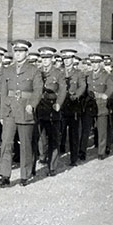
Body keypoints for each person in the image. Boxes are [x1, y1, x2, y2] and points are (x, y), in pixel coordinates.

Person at [0, 40, 43, 188]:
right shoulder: (7, 70)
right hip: (10, 111)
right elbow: (3, 93)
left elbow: (38, 91)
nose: (18, 54)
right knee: (6, 143)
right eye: (16, 51)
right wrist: (2, 114)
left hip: (25, 110)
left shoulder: (34, 70)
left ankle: (25, 175)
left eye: (21, 51)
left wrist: (32, 105)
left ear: (27, 53)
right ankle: (4, 175)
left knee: (25, 145)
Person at [36, 47, 67, 176]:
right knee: (40, 137)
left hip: (53, 108)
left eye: (47, 58)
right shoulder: (37, 72)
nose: (45, 61)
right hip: (39, 108)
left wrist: (59, 103)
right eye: (43, 58)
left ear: (53, 59)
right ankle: (42, 156)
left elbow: (63, 90)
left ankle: (52, 166)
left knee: (54, 139)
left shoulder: (58, 73)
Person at [59, 49, 86, 166]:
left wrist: (76, 95)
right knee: (60, 132)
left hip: (74, 106)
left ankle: (73, 158)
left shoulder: (78, 73)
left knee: (74, 134)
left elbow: (82, 86)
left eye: (69, 59)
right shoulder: (59, 72)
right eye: (64, 59)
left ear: (73, 59)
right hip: (61, 106)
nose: (66, 61)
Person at [86, 53, 113, 160]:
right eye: (92, 63)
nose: (94, 65)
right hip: (90, 105)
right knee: (88, 128)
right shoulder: (88, 75)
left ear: (100, 64)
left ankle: (101, 151)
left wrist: (105, 95)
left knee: (102, 129)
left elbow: (111, 87)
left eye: (96, 63)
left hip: (102, 105)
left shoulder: (106, 75)